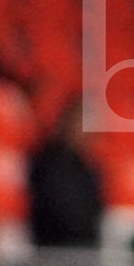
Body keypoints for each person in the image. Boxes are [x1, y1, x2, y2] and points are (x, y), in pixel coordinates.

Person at [27, 103, 105, 248]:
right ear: (68, 122)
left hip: (84, 249)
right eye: (82, 124)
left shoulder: (89, 168)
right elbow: (54, 209)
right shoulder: (46, 161)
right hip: (51, 248)